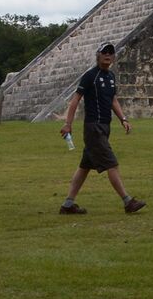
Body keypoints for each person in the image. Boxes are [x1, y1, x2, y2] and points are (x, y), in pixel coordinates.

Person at [58, 43, 146, 214]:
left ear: (113, 57)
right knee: (111, 163)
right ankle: (128, 201)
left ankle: (67, 205)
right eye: (104, 52)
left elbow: (113, 100)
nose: (107, 54)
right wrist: (68, 124)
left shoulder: (111, 76)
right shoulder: (90, 76)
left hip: (104, 126)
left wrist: (123, 119)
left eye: (110, 52)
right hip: (94, 127)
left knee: (84, 167)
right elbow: (75, 100)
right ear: (98, 55)